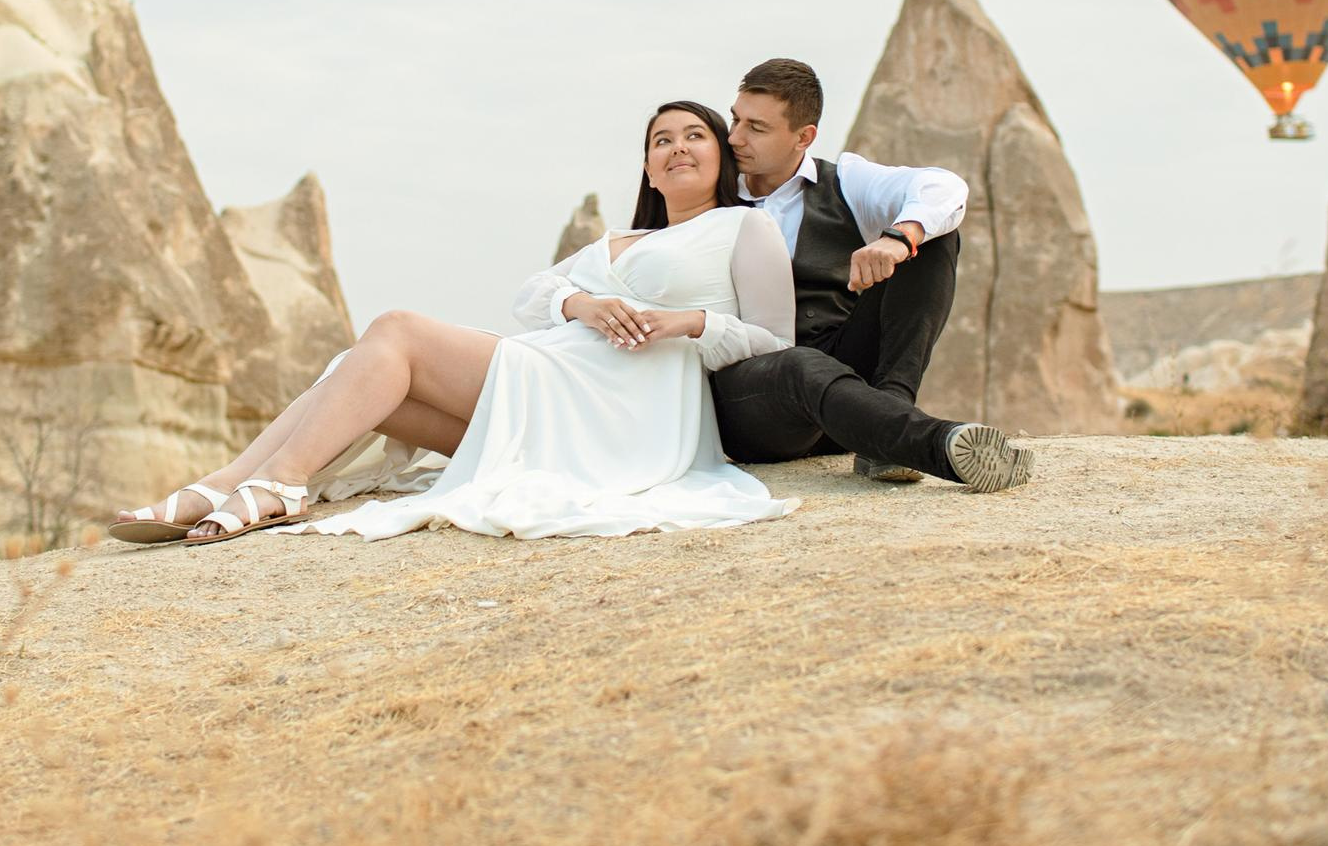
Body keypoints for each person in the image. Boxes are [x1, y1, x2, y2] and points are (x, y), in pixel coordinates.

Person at [107, 100, 798, 545]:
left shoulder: (743, 227)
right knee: (366, 383)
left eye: (694, 136)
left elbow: (775, 342)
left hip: (620, 416)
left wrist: (687, 322)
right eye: (660, 140)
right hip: (550, 386)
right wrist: (581, 303)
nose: (677, 147)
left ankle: (277, 481)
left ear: (720, 155)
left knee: (397, 331)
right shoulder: (609, 243)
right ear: (646, 166)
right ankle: (228, 482)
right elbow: (531, 295)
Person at [710, 57, 1032, 493]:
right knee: (798, 365)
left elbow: (944, 187)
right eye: (735, 119)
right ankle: (926, 443)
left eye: (756, 128)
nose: (735, 137)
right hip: (758, 404)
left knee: (932, 237)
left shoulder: (843, 180)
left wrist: (899, 237)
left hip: (847, 392)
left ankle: (886, 423)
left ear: (803, 137)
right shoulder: (711, 194)